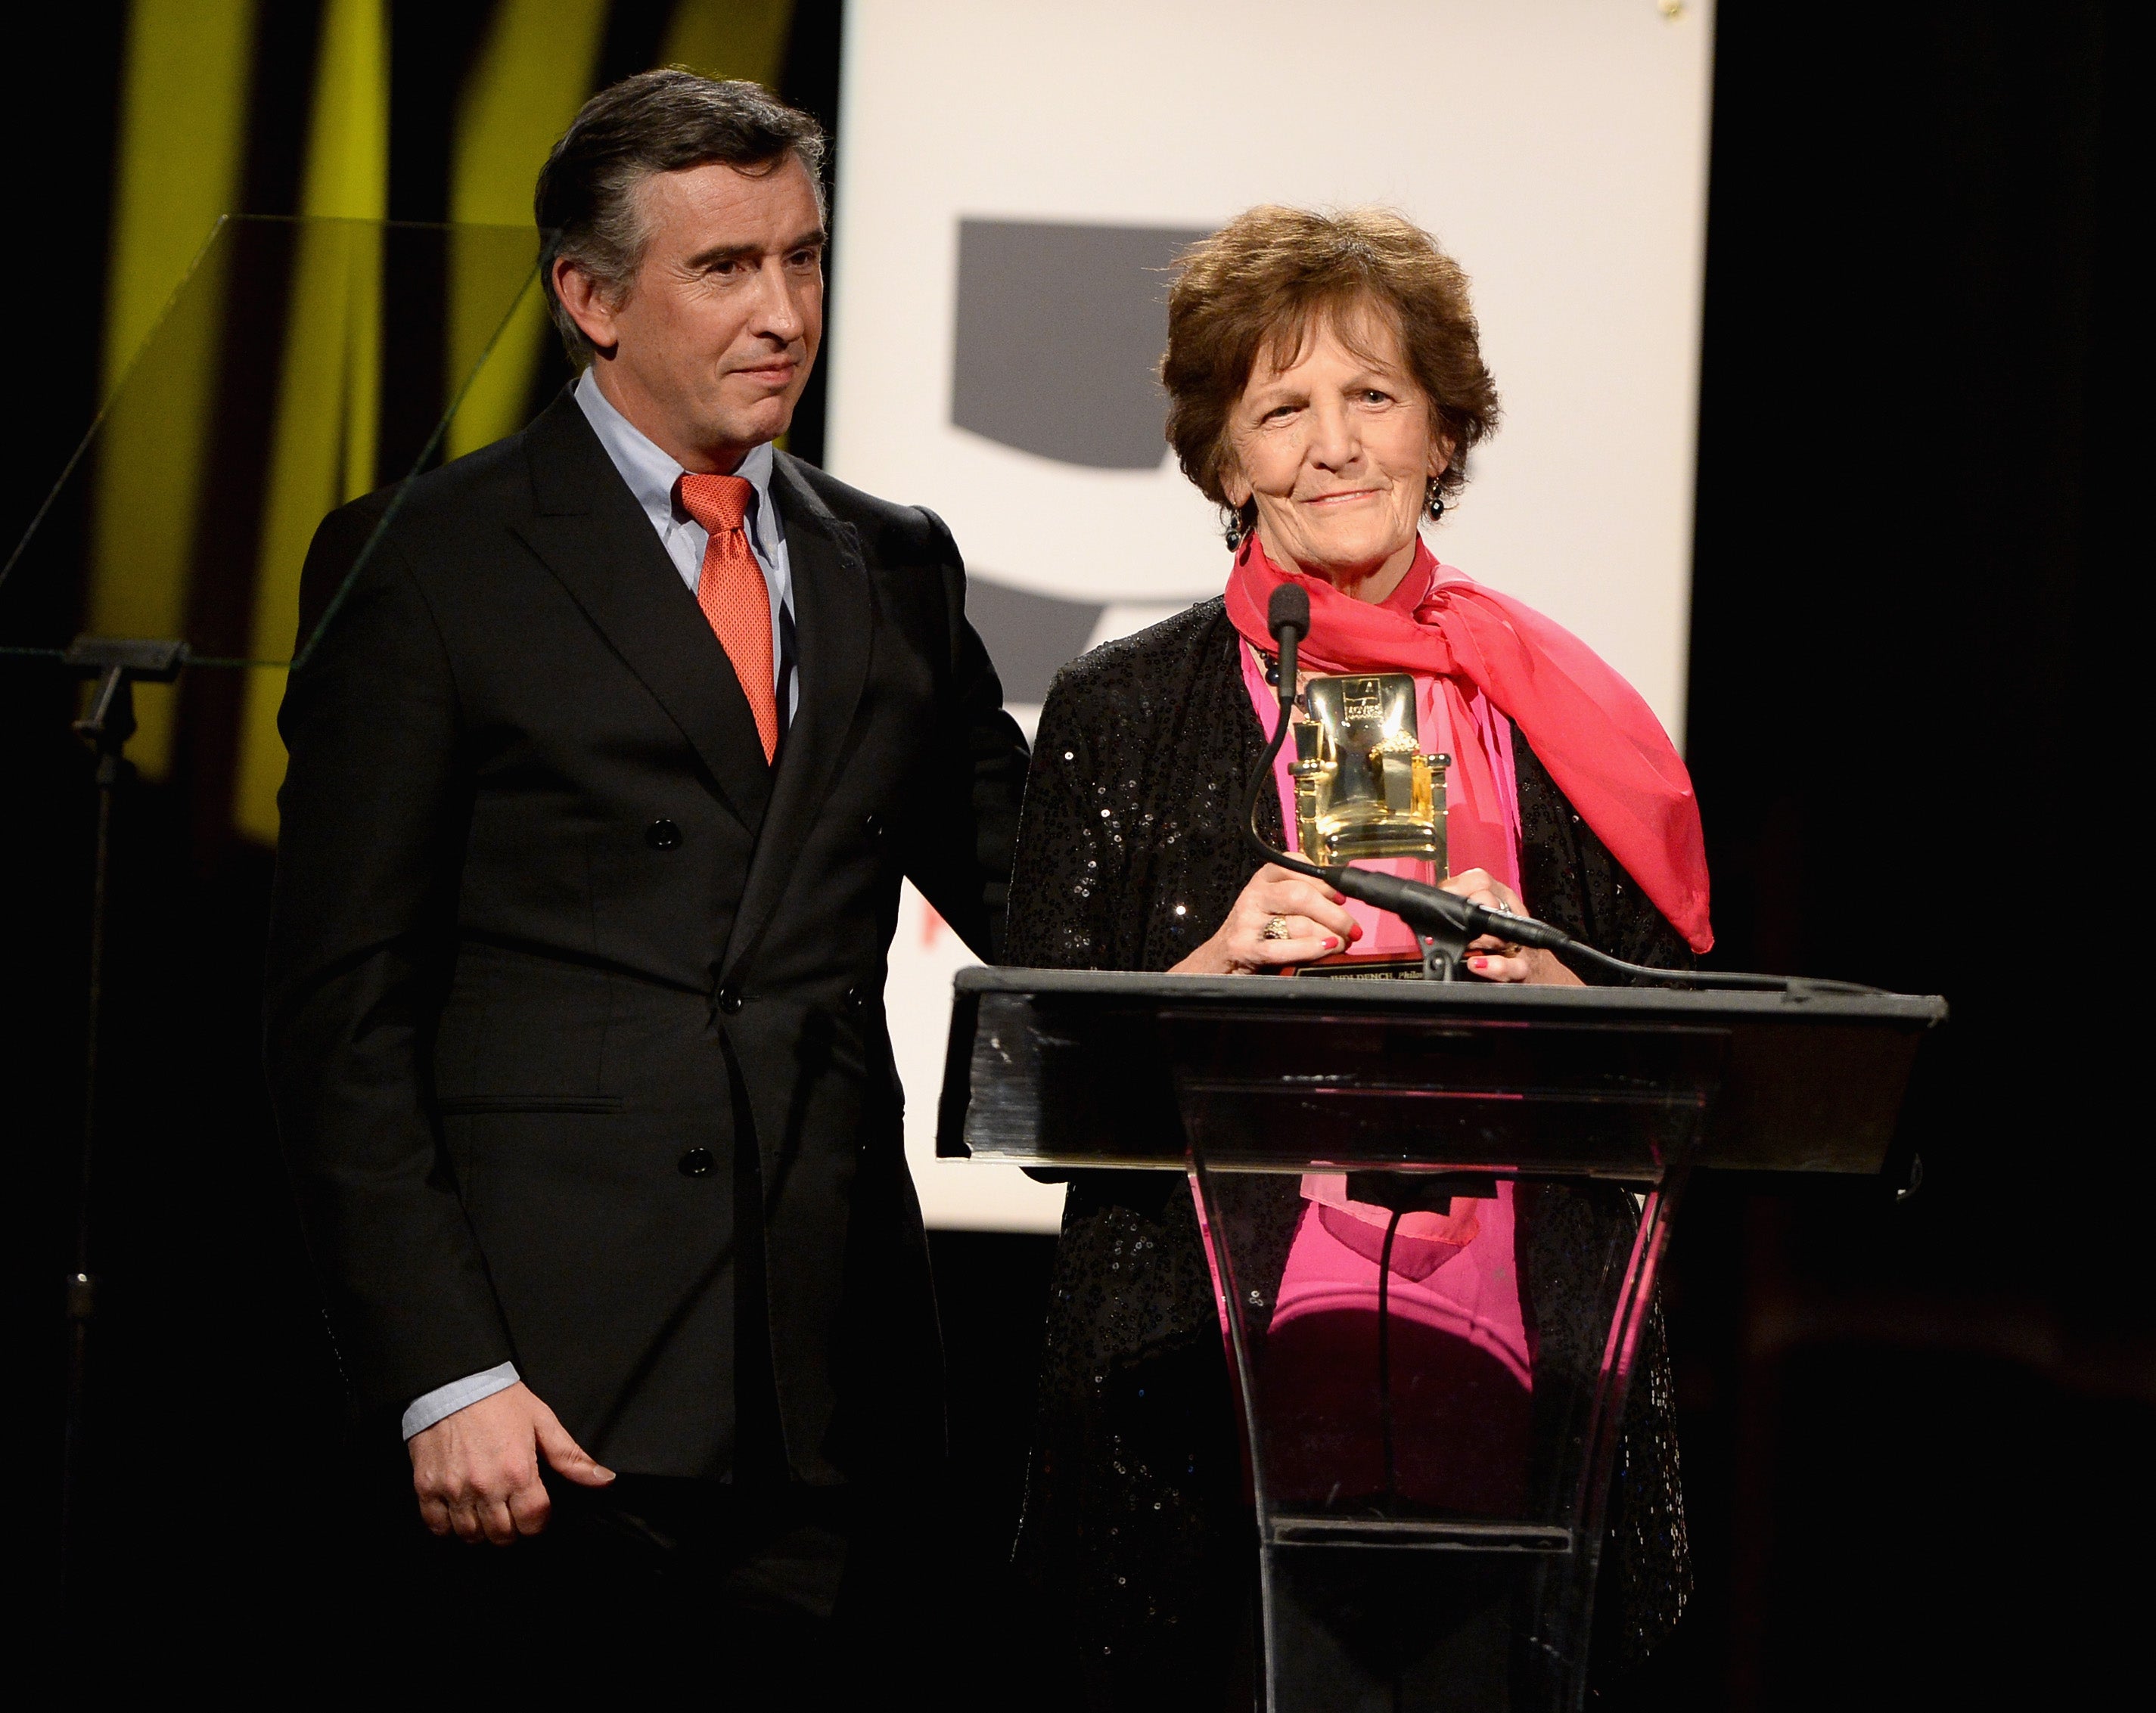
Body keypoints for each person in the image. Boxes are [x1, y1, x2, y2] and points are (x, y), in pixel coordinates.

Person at [264, 72, 1028, 1672]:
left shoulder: (892, 558)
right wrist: (445, 1369)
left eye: (803, 259)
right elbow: (342, 1014)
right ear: (589, 297)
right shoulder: (430, 559)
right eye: (726, 266)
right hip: (544, 1400)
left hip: (828, 1389)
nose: (783, 312)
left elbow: (1032, 887)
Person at [1005, 206, 1707, 1704]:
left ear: (1443, 428)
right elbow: (1030, 1079)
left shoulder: (1564, 709)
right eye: (1282, 408)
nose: (1334, 444)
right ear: (1223, 457)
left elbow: (1689, 1060)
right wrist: (1202, 967)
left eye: (1374, 396)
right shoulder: (1124, 709)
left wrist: (1566, 1000)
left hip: (1515, 1407)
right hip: (1210, 1406)